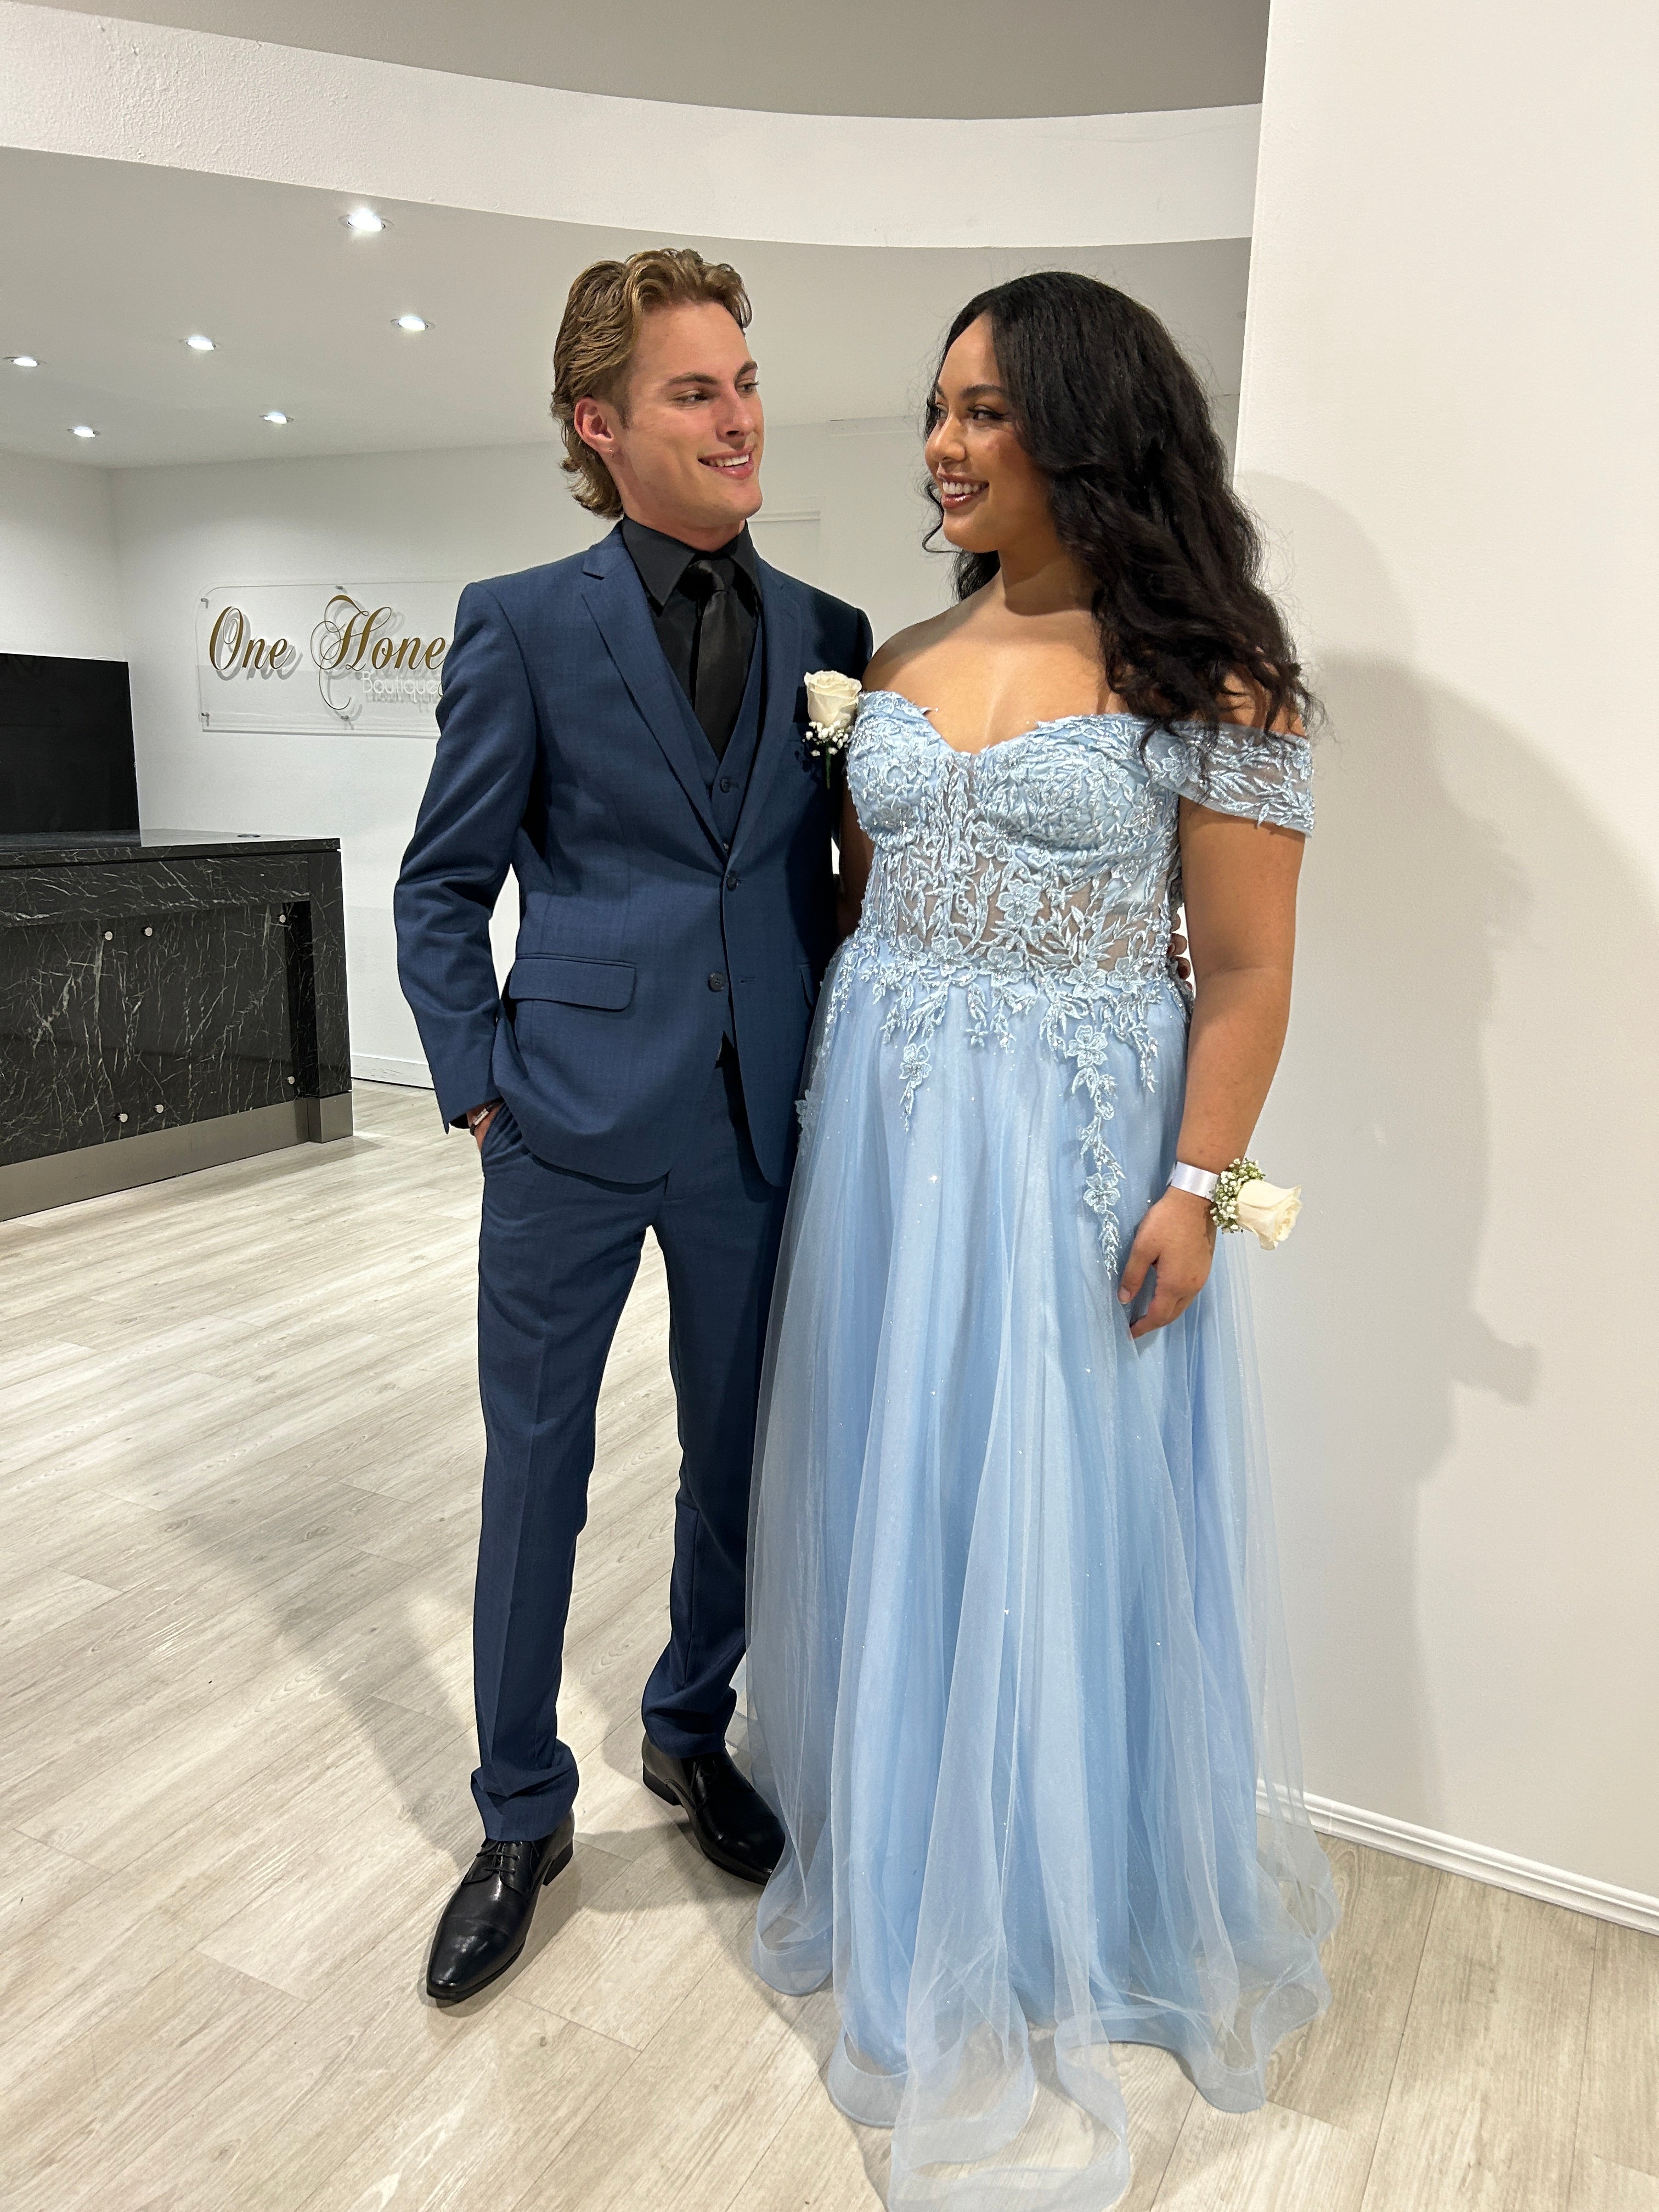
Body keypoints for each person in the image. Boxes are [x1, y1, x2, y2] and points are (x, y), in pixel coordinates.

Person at [746, 273, 1339, 2208]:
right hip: (892, 1156)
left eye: (983, 411)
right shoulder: (898, 660)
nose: (941, 444)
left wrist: (1205, 1187)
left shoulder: (1213, 680)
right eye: (936, 409)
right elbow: (874, 898)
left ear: (1089, 427)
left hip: (1084, 1167)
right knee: (905, 1490)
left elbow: (1246, 977)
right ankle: (920, 1860)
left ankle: (1073, 1896)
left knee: (1068, 1506)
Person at [394, 248, 870, 2004]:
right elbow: (439, 888)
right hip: (568, 1128)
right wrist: (481, 1092)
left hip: (760, 1128)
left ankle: (688, 1728)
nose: (739, 411)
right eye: (695, 388)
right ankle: (521, 1807)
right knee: (541, 1472)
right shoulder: (520, 622)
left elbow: (830, 880)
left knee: (735, 1458)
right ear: (603, 426)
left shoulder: (828, 636)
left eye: (743, 377)